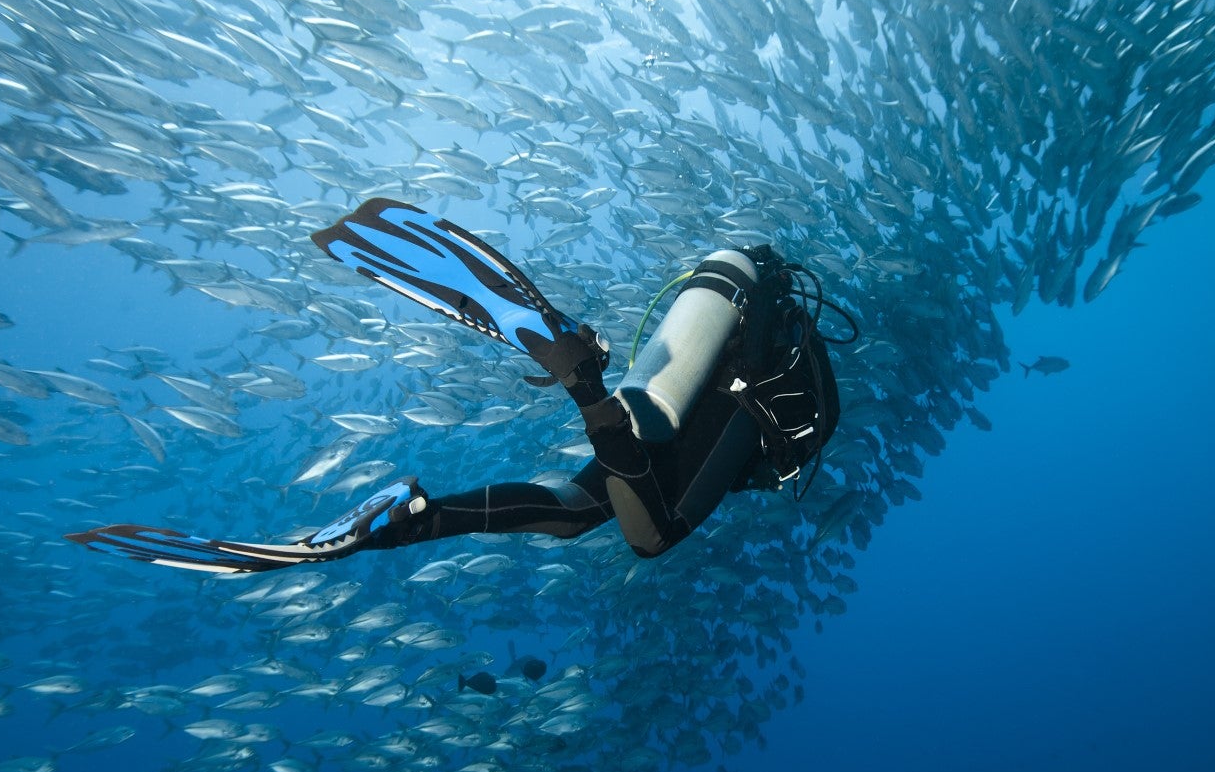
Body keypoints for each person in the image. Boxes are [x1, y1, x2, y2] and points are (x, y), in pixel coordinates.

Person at [67, 199, 852, 573]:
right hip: (725, 403)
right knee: (653, 537)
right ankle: (583, 385)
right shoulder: (789, 342)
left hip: (664, 400)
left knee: (581, 512)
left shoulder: (746, 305)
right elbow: (780, 432)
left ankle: (417, 517)